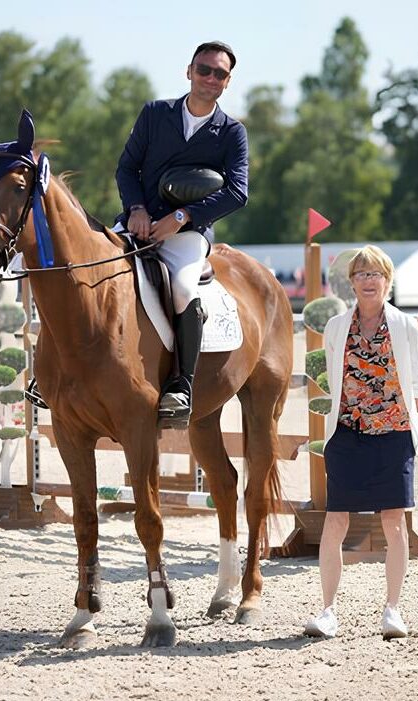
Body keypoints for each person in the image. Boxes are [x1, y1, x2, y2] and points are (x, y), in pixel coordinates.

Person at [114, 40, 249, 425]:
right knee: (90, 268)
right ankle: (56, 370)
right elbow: (127, 169)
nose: (210, 78)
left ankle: (181, 385)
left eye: (219, 73)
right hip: (137, 221)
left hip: (188, 232)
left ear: (228, 81)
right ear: (188, 71)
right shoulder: (155, 114)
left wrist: (182, 217)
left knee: (185, 290)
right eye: (203, 70)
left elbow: (238, 192)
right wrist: (137, 209)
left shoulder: (232, 132)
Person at [304, 245, 418, 641]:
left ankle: (392, 609)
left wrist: (406, 416)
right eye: (361, 274)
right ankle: (327, 611)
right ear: (352, 282)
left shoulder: (407, 326)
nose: (369, 281)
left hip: (394, 435)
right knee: (335, 520)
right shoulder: (337, 327)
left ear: (387, 281)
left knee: (394, 522)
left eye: (376, 274)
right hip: (348, 435)